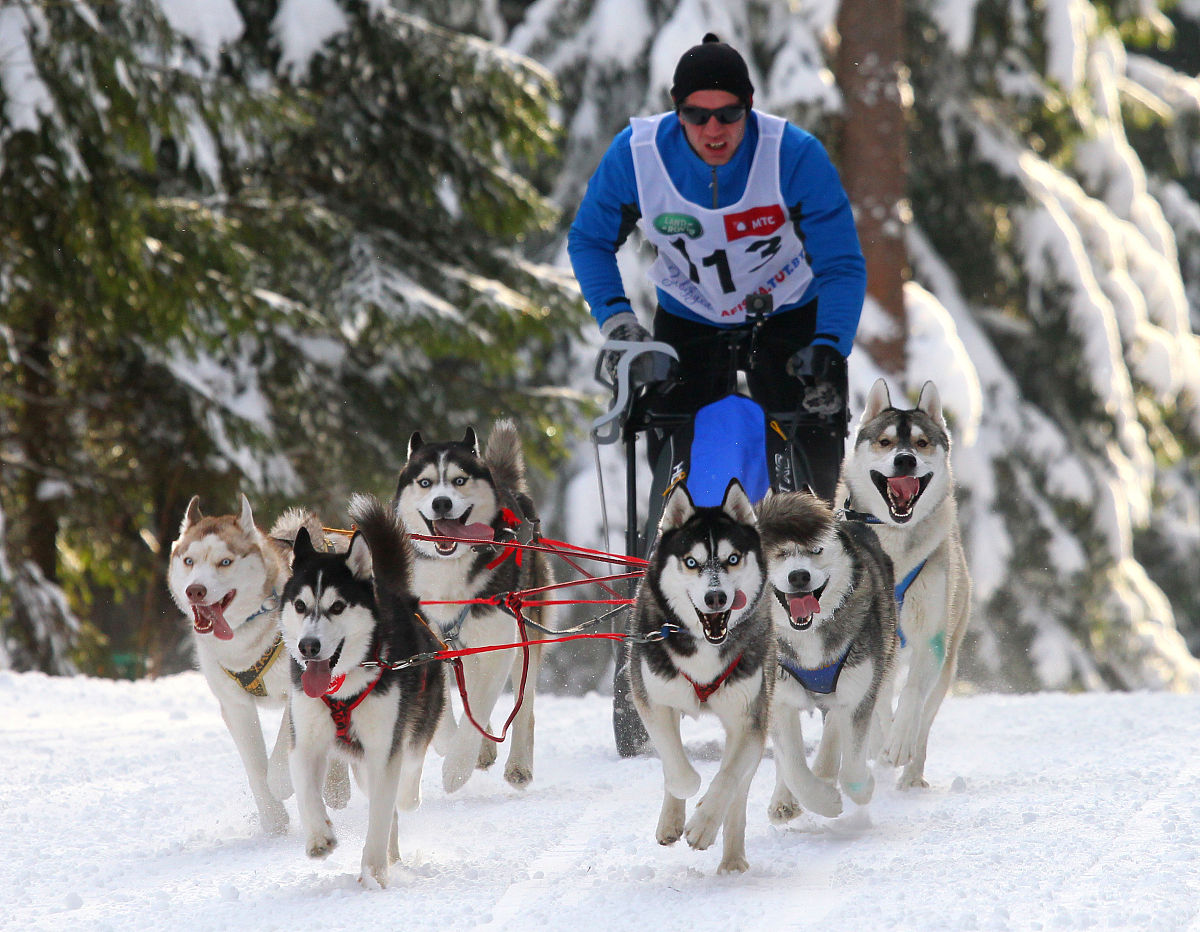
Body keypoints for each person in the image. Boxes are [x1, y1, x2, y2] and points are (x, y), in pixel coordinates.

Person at [568, 33, 866, 506]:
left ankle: (811, 563)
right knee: (678, 483)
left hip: (788, 313)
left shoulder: (794, 155)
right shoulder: (638, 155)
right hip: (691, 317)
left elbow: (842, 264)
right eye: (695, 115)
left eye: (728, 114)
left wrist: (831, 344)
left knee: (810, 485)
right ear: (675, 109)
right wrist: (618, 320)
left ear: (749, 106)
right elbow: (588, 239)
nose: (713, 130)